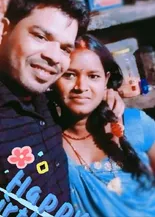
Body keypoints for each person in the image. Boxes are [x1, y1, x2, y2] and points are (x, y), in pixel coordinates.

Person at [0, 0, 90, 216]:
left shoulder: (47, 102)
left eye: (64, 48)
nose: (53, 56)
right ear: (3, 30)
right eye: (40, 36)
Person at [53, 34, 155, 217]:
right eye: (69, 75)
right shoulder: (46, 144)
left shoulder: (136, 124)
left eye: (93, 76)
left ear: (106, 80)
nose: (81, 86)